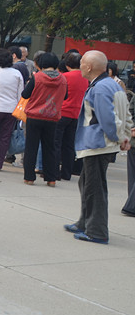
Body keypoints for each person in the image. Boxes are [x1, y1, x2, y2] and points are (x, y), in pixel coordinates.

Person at [64, 50, 132, 244]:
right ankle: (85, 223)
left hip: (98, 144)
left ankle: (96, 231)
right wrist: (124, 136)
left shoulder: (100, 88)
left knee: (94, 188)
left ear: (88, 67)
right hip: (101, 143)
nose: (80, 66)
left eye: (82, 63)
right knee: (87, 183)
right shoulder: (112, 84)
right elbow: (125, 115)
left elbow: (108, 119)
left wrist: (121, 137)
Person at [21, 52, 67, 186]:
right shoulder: (63, 79)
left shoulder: (37, 77)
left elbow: (25, 94)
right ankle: (51, 178)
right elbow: (65, 96)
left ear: (41, 64)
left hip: (34, 116)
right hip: (52, 117)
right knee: (50, 148)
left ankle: (29, 177)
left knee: (31, 147)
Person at [54, 52, 88, 181]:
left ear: (67, 64)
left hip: (62, 112)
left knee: (56, 143)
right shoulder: (85, 78)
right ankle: (66, 173)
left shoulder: (64, 77)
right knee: (69, 145)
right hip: (76, 114)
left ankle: (54, 172)